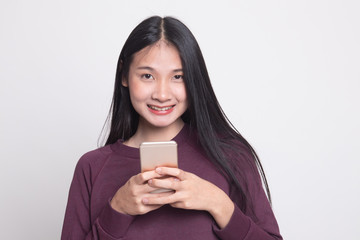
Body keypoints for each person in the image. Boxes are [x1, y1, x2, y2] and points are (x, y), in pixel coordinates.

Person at [61, 16, 282, 240]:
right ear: (124, 75)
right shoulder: (91, 168)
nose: (163, 94)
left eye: (178, 77)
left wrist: (219, 204)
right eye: (147, 76)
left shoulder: (231, 156)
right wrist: (117, 210)